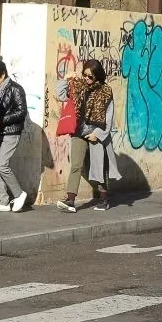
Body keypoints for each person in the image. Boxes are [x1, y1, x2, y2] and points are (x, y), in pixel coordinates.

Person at [54, 59, 121, 213]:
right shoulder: (79, 86)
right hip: (79, 131)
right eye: (85, 75)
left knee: (99, 165)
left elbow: (109, 117)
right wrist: (65, 79)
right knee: (76, 165)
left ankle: (104, 199)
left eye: (90, 77)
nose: (87, 79)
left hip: (96, 132)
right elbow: (61, 95)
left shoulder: (106, 91)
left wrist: (97, 134)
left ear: (98, 76)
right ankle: (70, 200)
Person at [0, 60, 28, 213]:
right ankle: (3, 201)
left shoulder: (16, 88)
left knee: (2, 164)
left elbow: (21, 112)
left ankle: (19, 194)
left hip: (11, 132)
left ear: (3, 74)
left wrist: (0, 121)